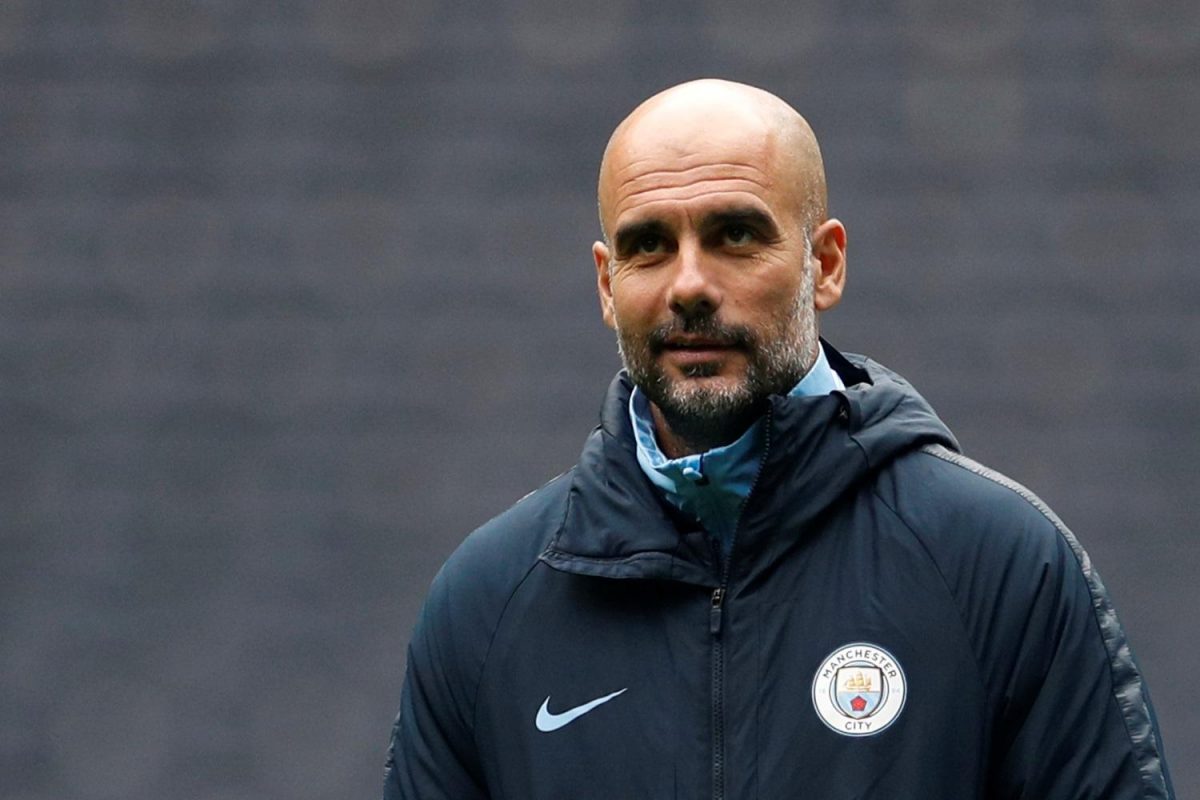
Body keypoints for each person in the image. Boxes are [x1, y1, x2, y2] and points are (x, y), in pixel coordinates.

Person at [383, 79, 1174, 799]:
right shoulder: (488, 605)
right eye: (648, 245)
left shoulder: (1000, 566)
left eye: (734, 235)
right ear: (607, 284)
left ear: (823, 264)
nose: (689, 285)